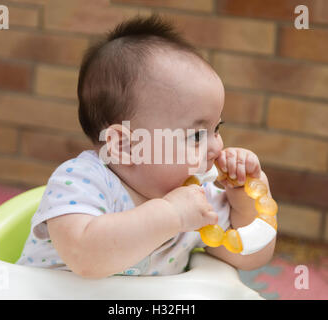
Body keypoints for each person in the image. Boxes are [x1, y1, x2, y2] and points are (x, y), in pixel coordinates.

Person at [17, 14, 276, 278]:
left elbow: (249, 256)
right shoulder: (82, 182)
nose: (216, 148)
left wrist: (243, 199)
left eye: (216, 129)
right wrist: (170, 214)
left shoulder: (197, 198)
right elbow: (85, 258)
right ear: (125, 145)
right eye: (197, 135)